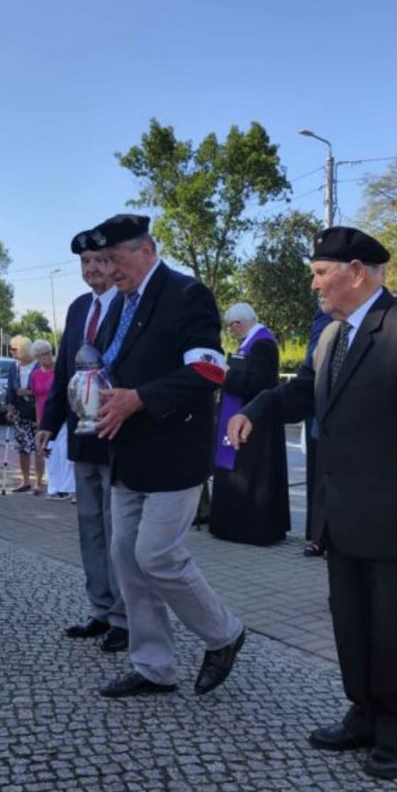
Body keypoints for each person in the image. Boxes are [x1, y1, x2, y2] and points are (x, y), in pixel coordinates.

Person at [227, 226, 397, 779]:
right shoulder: (332, 337)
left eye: (320, 273)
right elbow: (302, 392)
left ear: (356, 271)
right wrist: (257, 409)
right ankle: (364, 714)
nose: (314, 285)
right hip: (341, 517)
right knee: (352, 626)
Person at [91, 213, 245, 699]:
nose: (109, 270)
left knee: (156, 554)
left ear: (145, 250)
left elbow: (207, 371)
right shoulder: (121, 303)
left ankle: (224, 634)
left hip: (174, 448)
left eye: (115, 259)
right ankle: (154, 666)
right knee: (125, 558)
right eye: (104, 261)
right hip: (127, 447)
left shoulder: (185, 294)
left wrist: (140, 398)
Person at [37, 229, 126, 651]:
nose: (92, 270)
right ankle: (101, 610)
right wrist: (49, 423)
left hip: (117, 435)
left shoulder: (130, 305)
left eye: (99, 261)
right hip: (81, 438)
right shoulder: (76, 310)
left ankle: (127, 618)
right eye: (85, 264)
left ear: (114, 263)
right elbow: (61, 376)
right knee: (90, 526)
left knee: (119, 529)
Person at [208, 303, 289, 545]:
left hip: (256, 425)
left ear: (238, 324)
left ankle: (248, 528)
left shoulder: (262, 344)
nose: (230, 332)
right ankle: (234, 525)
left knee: (252, 478)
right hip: (248, 419)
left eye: (230, 327)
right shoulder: (253, 343)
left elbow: (258, 383)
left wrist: (224, 373)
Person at [301, 306, 334, 556]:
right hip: (321, 407)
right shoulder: (325, 316)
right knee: (319, 475)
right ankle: (318, 535)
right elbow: (313, 359)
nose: (315, 283)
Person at [29, 339, 73, 499]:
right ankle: (53, 488)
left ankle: (67, 488)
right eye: (40, 355)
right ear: (36, 358)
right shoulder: (35, 375)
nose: (45, 357)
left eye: (46, 353)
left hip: (61, 415)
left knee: (64, 451)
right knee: (50, 453)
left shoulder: (60, 371)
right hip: (44, 417)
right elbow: (36, 398)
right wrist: (38, 420)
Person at [5, 334, 41, 493]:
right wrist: (10, 409)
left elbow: (45, 389)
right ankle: (25, 480)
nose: (11, 351)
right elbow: (9, 391)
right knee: (22, 448)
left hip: (37, 412)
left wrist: (27, 391)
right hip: (20, 411)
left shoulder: (38, 366)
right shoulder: (14, 367)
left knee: (39, 448)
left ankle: (38, 483)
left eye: (14, 349)